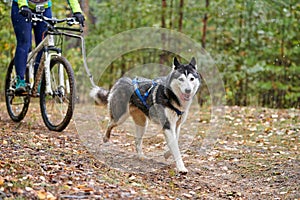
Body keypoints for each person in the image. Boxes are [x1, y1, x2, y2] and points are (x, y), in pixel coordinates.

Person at [11, 0, 85, 94]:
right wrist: (23, 5)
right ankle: (20, 81)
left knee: (43, 44)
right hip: (21, 7)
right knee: (25, 42)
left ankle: (37, 82)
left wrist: (77, 11)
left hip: (44, 8)